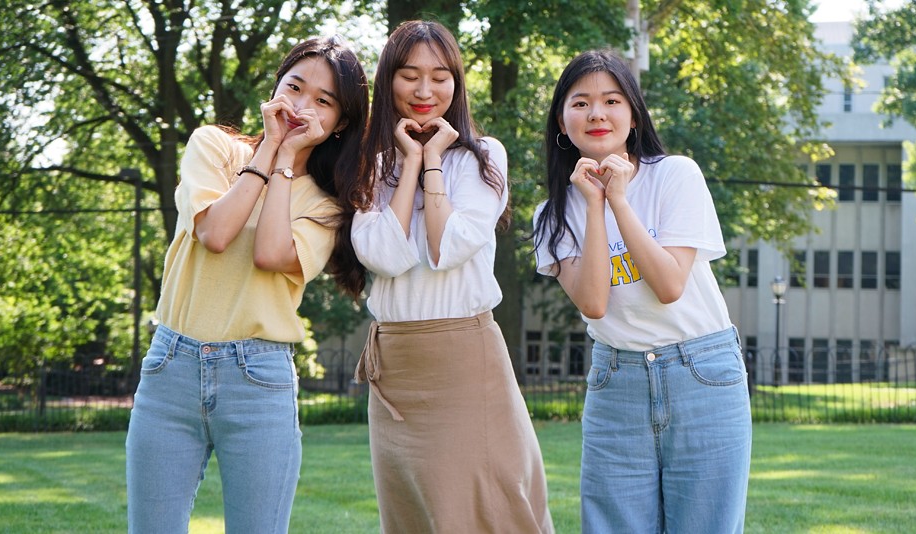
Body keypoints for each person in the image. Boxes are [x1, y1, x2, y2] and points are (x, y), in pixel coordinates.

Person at [125, 36, 369, 534]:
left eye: (323, 101)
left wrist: (284, 159)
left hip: (259, 379)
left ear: (341, 122)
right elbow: (215, 232)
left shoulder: (328, 205)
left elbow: (269, 253)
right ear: (274, 88)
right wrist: (270, 150)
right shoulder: (213, 146)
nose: (302, 106)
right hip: (172, 366)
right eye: (294, 87)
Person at [532, 50, 752, 533]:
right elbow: (594, 302)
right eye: (580, 102)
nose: (596, 113)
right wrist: (593, 206)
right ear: (560, 121)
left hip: (703, 375)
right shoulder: (551, 215)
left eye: (611, 100)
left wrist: (619, 200)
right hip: (618, 382)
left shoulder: (676, 175)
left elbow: (670, 283)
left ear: (633, 116)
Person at [350, 19, 553, 534]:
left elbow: (449, 246)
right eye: (409, 75)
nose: (424, 91)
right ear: (388, 79)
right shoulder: (371, 166)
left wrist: (433, 162)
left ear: (457, 83)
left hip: (464, 356)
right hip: (393, 365)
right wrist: (408, 161)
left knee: (486, 507)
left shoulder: (485, 158)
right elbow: (382, 255)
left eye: (440, 76)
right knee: (410, 515)